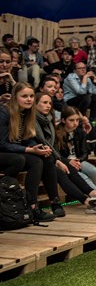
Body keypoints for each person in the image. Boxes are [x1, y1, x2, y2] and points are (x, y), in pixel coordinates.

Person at [0, 83, 61, 221]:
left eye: (31, 96)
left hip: (15, 152)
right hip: (4, 152)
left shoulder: (28, 113)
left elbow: (27, 139)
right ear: (15, 98)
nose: (29, 99)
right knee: (20, 160)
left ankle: (40, 205)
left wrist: (38, 148)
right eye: (24, 96)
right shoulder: (4, 112)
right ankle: (20, 201)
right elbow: (2, 144)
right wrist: (29, 150)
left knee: (45, 158)